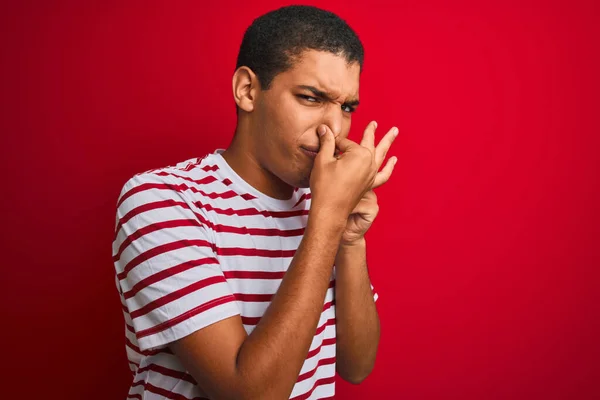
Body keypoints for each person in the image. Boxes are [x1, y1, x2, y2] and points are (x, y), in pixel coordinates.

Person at [113, 5, 398, 399]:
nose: (333, 128)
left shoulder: (322, 207)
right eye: (312, 97)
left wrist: (349, 239)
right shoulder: (163, 200)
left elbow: (356, 365)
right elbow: (250, 394)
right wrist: (328, 219)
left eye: (347, 107)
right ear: (247, 90)